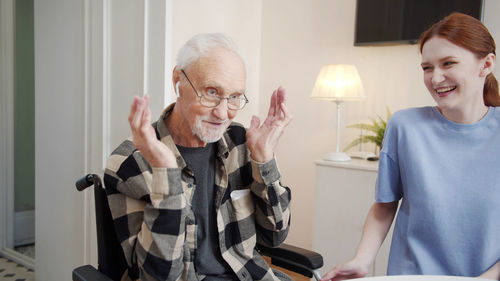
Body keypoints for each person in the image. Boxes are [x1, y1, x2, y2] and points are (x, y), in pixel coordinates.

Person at [321, 12, 500, 281]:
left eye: (448, 63)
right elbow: (384, 205)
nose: (436, 78)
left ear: (486, 64)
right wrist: (362, 260)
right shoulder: (405, 126)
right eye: (427, 68)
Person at [104, 33, 292, 281]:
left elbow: (274, 236)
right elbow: (155, 275)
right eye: (211, 91)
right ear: (178, 81)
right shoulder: (131, 162)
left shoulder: (240, 142)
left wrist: (264, 160)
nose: (223, 113)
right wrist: (167, 174)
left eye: (234, 97)